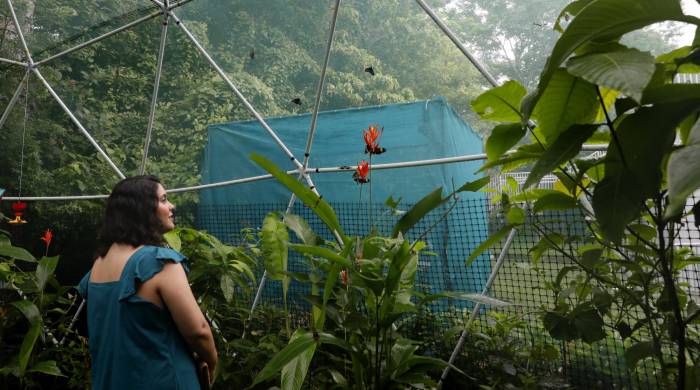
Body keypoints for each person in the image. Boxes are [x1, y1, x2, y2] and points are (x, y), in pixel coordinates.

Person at [78, 175, 217, 389]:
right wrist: (212, 361)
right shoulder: (160, 262)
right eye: (163, 200)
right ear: (142, 208)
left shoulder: (99, 264)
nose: (172, 205)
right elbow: (198, 331)